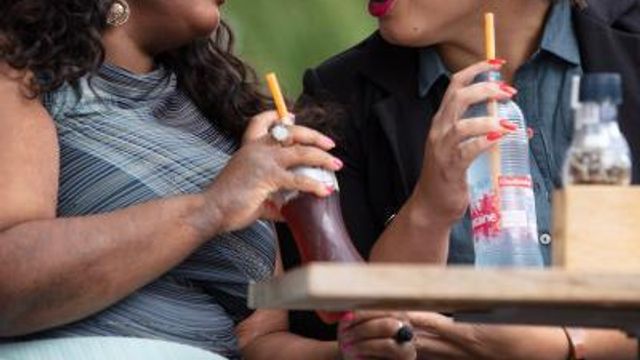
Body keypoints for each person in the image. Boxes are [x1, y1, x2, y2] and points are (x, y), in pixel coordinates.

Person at [0, 0, 416, 359]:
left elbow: (257, 339)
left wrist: (347, 352)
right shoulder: (21, 78)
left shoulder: (223, 120)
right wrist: (209, 209)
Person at [281, 0, 640, 358]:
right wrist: (429, 207)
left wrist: (563, 346)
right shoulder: (339, 99)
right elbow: (359, 332)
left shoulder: (627, 41)